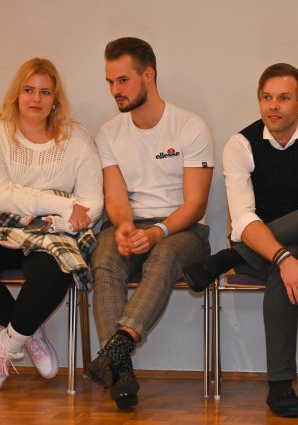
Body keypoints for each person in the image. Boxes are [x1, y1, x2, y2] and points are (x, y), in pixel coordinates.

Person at [183, 63, 298, 417]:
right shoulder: (241, 144)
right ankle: (280, 385)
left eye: (283, 98)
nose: (273, 106)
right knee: (290, 255)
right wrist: (283, 257)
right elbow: (243, 218)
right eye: (266, 98)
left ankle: (228, 258)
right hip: (263, 247)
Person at [0, 58, 103, 391]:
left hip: (50, 231)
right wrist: (64, 205)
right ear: (16, 94)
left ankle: (9, 344)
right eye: (28, 90)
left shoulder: (77, 138)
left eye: (45, 92)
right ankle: (29, 333)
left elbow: (93, 202)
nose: (36, 98)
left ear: (55, 100)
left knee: (55, 272)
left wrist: (57, 219)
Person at [87, 37, 214, 410]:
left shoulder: (190, 126)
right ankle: (121, 373)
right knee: (104, 256)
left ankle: (118, 347)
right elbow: (115, 198)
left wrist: (159, 232)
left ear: (149, 75)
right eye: (110, 82)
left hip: (183, 230)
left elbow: (196, 203)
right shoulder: (109, 133)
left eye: (123, 80)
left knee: (163, 256)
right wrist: (124, 226)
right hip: (133, 221)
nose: (115, 90)